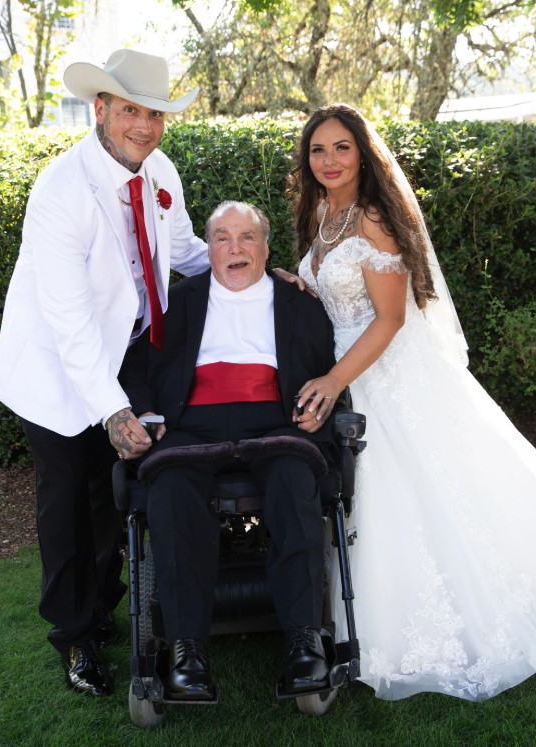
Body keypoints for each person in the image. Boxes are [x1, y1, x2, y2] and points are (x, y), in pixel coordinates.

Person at [283, 103, 536, 701]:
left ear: (363, 155)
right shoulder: (325, 212)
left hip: (386, 375)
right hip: (349, 370)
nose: (329, 161)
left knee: (411, 491)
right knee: (361, 493)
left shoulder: (374, 219)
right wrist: (298, 283)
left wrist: (332, 382)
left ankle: (435, 628)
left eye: (342, 149)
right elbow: (336, 294)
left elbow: (388, 319)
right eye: (318, 150)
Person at [0, 49, 304, 697]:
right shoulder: (59, 190)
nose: (144, 125)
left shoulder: (159, 169)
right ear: (100, 109)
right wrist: (110, 410)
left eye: (154, 113)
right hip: (57, 364)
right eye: (130, 110)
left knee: (115, 494)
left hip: (129, 350)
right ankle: (75, 637)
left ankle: (104, 607)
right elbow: (70, 319)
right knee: (69, 506)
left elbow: (188, 249)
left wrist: (257, 272)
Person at [118, 201, 337, 701]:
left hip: (276, 419)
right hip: (192, 425)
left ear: (265, 247)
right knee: (171, 488)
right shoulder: (178, 301)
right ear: (208, 249)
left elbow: (326, 369)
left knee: (294, 481)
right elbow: (136, 370)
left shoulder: (298, 301)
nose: (234, 248)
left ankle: (304, 643)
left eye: (246, 238)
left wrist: (320, 409)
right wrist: (146, 416)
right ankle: (186, 651)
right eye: (221, 238)